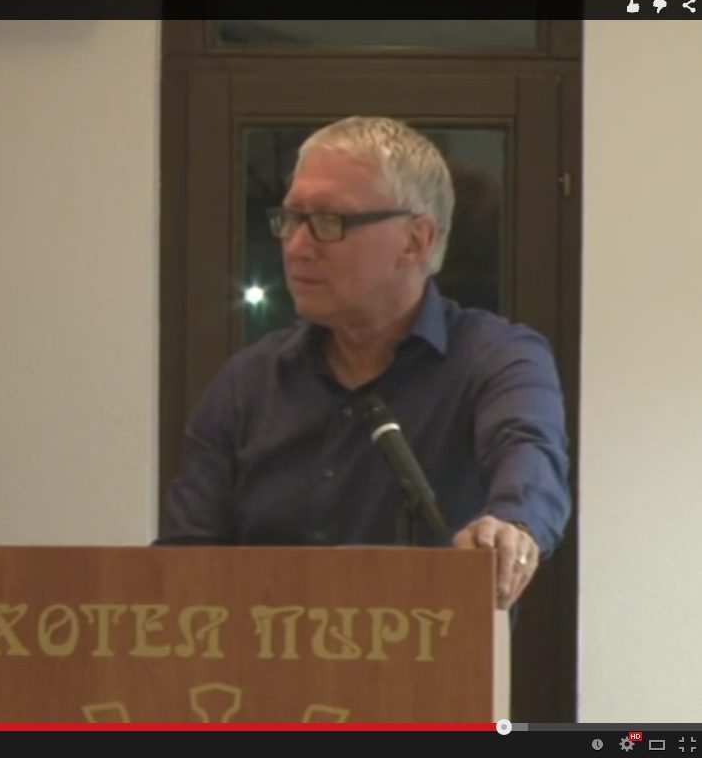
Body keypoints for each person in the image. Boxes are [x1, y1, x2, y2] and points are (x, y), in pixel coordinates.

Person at [157, 116, 570, 611]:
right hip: (258, 656)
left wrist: (514, 526)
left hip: (433, 653)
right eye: (291, 219)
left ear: (415, 240)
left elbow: (528, 453)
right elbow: (182, 564)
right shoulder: (249, 383)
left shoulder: (496, 359)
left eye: (329, 221)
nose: (297, 247)